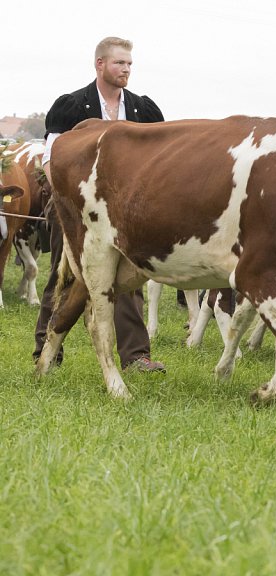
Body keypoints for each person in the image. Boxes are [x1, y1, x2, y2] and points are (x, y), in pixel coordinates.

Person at [34, 36, 166, 373]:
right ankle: (46, 348)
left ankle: (136, 356)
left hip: (124, 209)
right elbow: (52, 156)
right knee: (64, 274)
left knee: (131, 275)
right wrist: (65, 201)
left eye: (130, 64)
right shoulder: (72, 105)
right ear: (100, 64)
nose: (126, 69)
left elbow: (156, 160)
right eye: (120, 63)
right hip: (73, 205)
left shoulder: (143, 109)